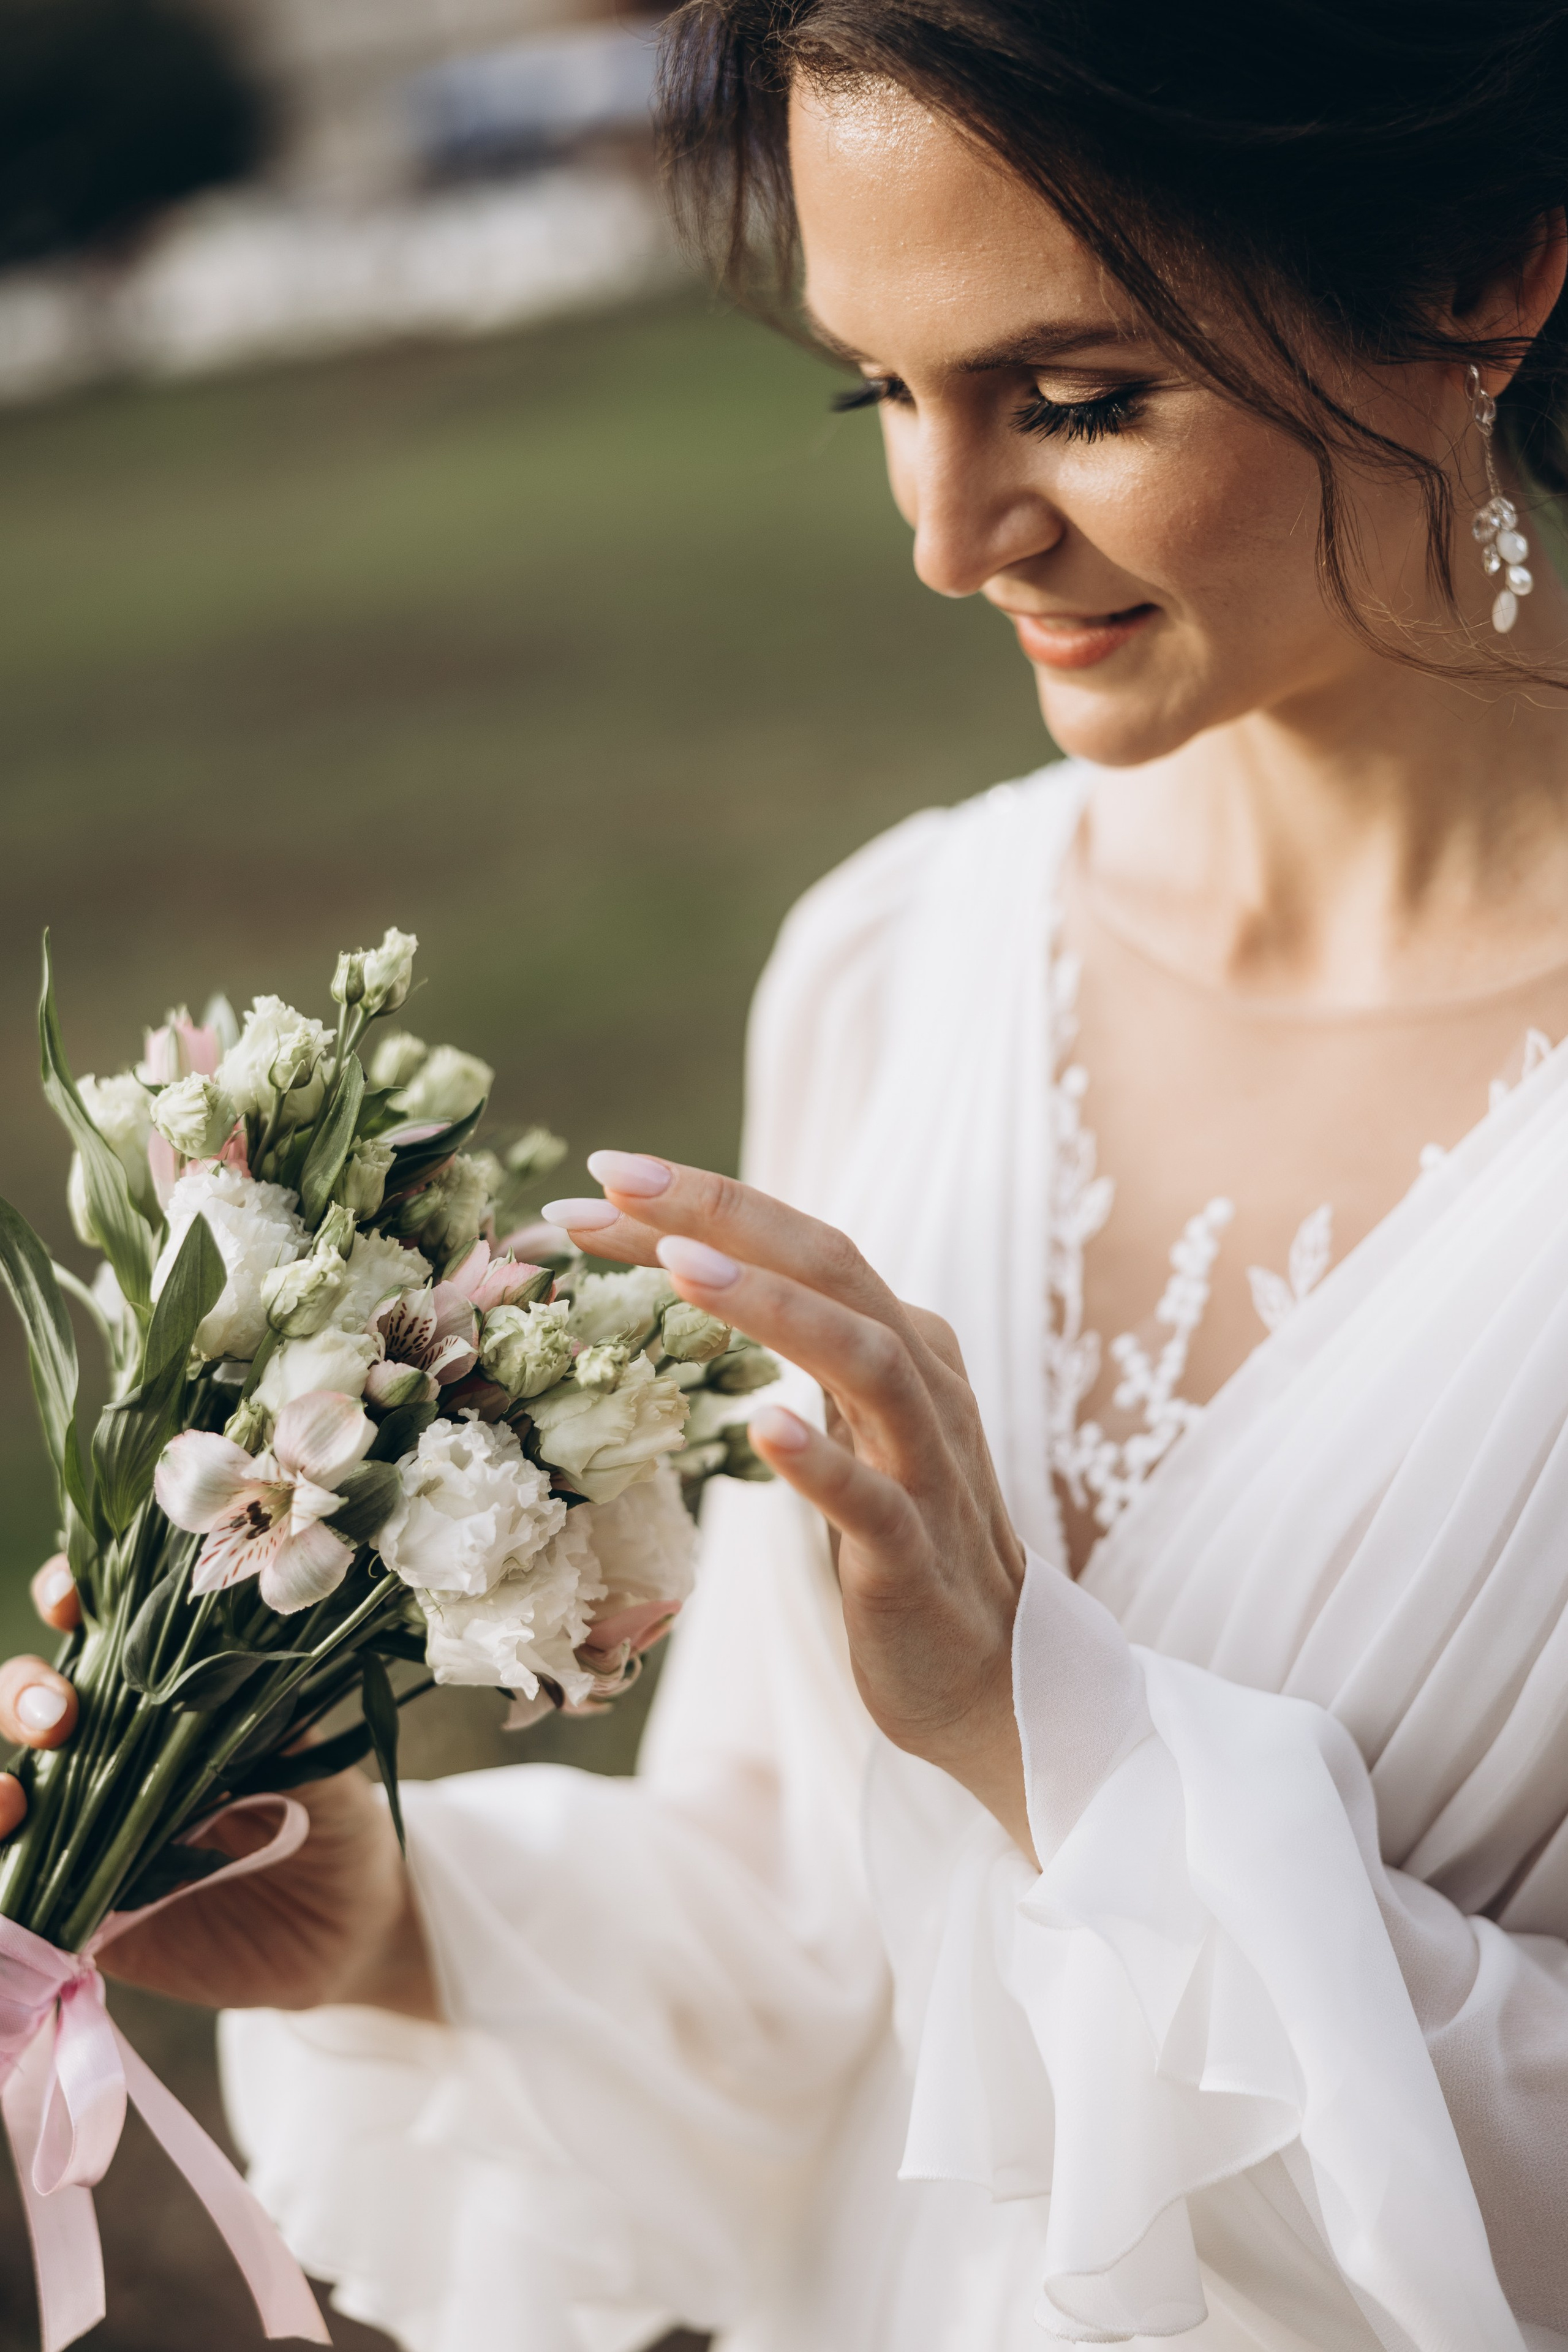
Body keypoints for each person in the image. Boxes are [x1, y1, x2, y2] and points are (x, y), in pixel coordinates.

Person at [7, 3, 1568, 2344]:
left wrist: (1053, 1737)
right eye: (881, 396)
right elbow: (817, 1943)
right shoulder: (900, 960)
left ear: (1482, 270)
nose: (948, 540)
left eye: (1077, 395)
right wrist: (385, 1924)